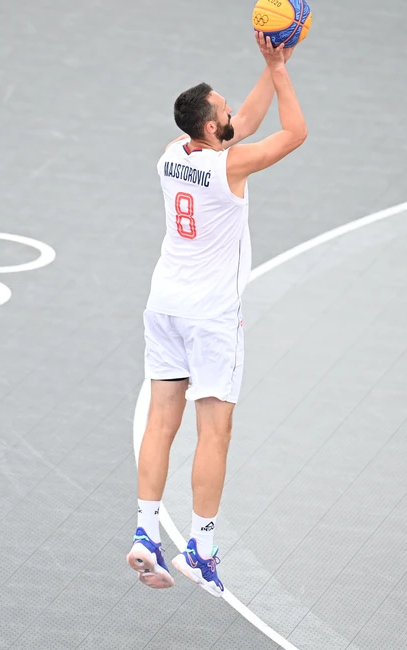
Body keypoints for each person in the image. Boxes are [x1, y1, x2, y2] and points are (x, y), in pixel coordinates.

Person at [126, 32, 308, 597]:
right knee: (215, 431)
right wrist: (283, 75)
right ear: (211, 128)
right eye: (224, 110)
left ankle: (146, 531)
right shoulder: (232, 167)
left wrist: (272, 63)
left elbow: (243, 123)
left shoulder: (172, 152)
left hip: (164, 304)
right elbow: (294, 133)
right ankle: (201, 548)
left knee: (161, 422)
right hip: (210, 316)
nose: (233, 115)